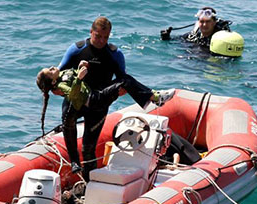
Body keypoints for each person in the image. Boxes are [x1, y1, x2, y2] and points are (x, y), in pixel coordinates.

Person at [39, 16, 175, 181]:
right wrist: (55, 90)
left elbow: (122, 80)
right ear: (91, 32)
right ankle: (74, 162)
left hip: (99, 101)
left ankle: (89, 184)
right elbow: (58, 76)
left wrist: (121, 90)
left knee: (89, 148)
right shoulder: (77, 49)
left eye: (105, 37)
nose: (101, 40)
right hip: (76, 100)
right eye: (98, 36)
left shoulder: (114, 54)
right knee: (68, 120)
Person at [36, 64, 175, 180]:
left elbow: (76, 74)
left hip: (95, 97)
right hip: (95, 100)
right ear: (53, 82)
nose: (53, 67)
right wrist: (79, 78)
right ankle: (155, 97)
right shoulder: (60, 85)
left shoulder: (63, 73)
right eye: (50, 71)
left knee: (124, 80)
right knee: (124, 81)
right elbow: (72, 93)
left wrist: (81, 66)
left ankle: (154, 97)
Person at [161, 7, 231, 48]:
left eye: (208, 21)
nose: (204, 25)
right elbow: (177, 41)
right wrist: (166, 37)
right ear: (198, 23)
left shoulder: (221, 39)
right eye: (202, 21)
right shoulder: (194, 35)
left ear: (214, 22)